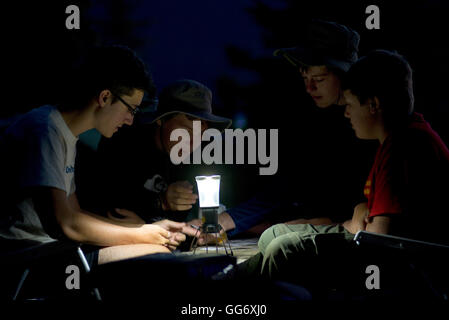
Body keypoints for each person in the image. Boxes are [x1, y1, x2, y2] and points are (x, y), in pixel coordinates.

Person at [241, 49, 449, 282]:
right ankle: (224, 281)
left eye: (350, 104)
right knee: (275, 234)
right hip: (371, 238)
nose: (346, 113)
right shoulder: (393, 140)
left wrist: (356, 223)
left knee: (284, 248)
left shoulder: (404, 147)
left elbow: (380, 238)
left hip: (399, 263)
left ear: (373, 105)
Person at [0, 46, 190, 267]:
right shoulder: (44, 130)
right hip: (25, 256)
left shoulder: (65, 134)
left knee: (157, 248)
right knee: (156, 254)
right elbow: (66, 224)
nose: (130, 120)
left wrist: (144, 229)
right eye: (131, 109)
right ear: (105, 97)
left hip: (50, 249)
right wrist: (144, 234)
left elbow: (74, 213)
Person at [209, 20, 375, 236]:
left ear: (344, 75)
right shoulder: (313, 119)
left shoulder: (369, 126)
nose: (309, 87)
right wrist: (230, 219)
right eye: (304, 78)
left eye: (319, 78)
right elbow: (288, 184)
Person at [87, 79, 233, 231]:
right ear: (161, 119)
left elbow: (185, 220)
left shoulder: (197, 158)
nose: (192, 143)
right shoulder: (123, 142)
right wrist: (161, 201)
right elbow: (109, 205)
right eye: (186, 132)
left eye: (200, 134)